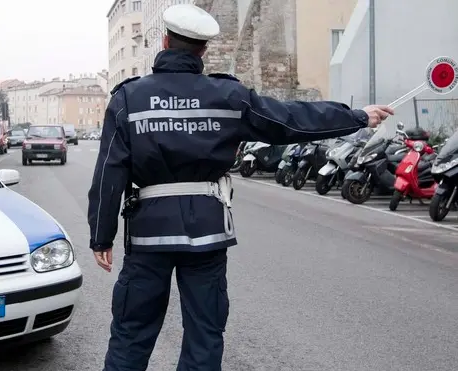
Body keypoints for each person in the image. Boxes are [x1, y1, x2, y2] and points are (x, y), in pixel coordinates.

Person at [87, 4, 394, 371]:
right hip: (207, 234)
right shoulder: (229, 97)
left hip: (149, 235)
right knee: (204, 335)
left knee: (131, 335)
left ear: (165, 41)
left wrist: (101, 236)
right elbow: (290, 119)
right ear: (203, 50)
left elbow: (109, 172)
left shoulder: (128, 98)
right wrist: (357, 116)